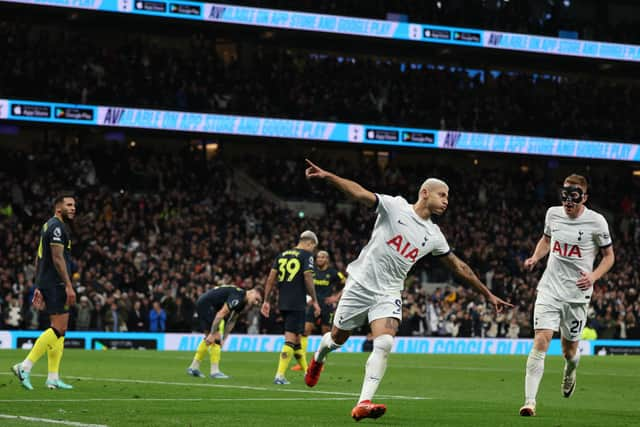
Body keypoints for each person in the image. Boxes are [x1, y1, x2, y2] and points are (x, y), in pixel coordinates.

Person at [303, 159, 512, 421]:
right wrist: (328, 176)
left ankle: (363, 402)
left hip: (388, 292)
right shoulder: (395, 207)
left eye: (448, 196)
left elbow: (458, 267)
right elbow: (359, 193)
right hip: (360, 284)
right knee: (336, 339)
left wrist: (487, 294)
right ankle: (319, 357)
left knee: (385, 342)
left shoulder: (434, 235)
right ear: (425, 193)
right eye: (442, 195)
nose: (447, 201)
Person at [519, 174, 614, 417]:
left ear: (584, 197)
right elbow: (546, 239)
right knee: (541, 340)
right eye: (565, 195)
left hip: (577, 295)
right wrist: (535, 257)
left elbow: (609, 257)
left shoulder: (597, 222)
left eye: (574, 196)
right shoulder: (553, 214)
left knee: (569, 352)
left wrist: (593, 277)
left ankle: (570, 371)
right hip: (549, 288)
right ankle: (530, 402)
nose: (568, 201)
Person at [12, 193, 77, 390]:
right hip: (56, 283)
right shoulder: (57, 227)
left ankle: (53, 377)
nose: (73, 208)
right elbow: (57, 258)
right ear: (59, 208)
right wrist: (68, 285)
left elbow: (39, 256)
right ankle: (24, 366)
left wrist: (39, 284)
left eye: (74, 205)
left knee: (60, 331)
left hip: (48, 282)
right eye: (69, 205)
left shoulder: (49, 225)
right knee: (58, 328)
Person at [260, 230, 321, 385]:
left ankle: (307, 372)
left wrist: (266, 300)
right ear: (309, 243)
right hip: (297, 301)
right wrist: (314, 300)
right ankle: (279, 375)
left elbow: (270, 279)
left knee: (298, 339)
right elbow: (308, 277)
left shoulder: (281, 255)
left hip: (283, 301)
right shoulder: (306, 256)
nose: (313, 251)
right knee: (291, 338)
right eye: (313, 248)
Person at [187, 285, 264, 379]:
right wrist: (213, 333)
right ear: (252, 292)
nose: (255, 303)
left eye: (258, 302)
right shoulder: (238, 296)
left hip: (205, 303)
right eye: (256, 299)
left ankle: (193, 367)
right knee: (216, 338)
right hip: (207, 305)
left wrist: (225, 338)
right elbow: (221, 314)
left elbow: (232, 321)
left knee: (210, 339)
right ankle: (214, 371)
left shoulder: (242, 301)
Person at [291, 250, 345, 372]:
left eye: (322, 257)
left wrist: (336, 297)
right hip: (313, 305)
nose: (319, 259)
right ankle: (302, 363)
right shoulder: (311, 272)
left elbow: (347, 283)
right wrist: (308, 298)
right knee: (305, 331)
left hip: (326, 306)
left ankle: (320, 363)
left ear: (327, 259)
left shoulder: (333, 273)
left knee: (326, 334)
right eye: (318, 257)